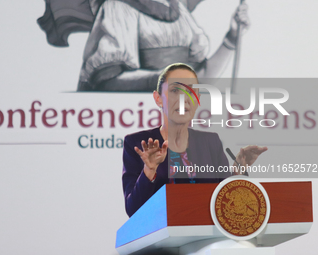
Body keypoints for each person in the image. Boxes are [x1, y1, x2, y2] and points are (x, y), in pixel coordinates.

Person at [122, 63, 267, 217]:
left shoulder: (211, 142)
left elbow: (229, 203)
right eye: (175, 90)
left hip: (206, 237)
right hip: (161, 239)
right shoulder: (137, 144)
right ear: (158, 99)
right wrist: (149, 171)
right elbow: (133, 210)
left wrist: (238, 173)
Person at [75, 0, 250, 91]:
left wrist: (232, 38)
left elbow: (200, 80)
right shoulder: (118, 7)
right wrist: (163, 80)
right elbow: (106, 82)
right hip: (137, 121)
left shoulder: (179, 11)